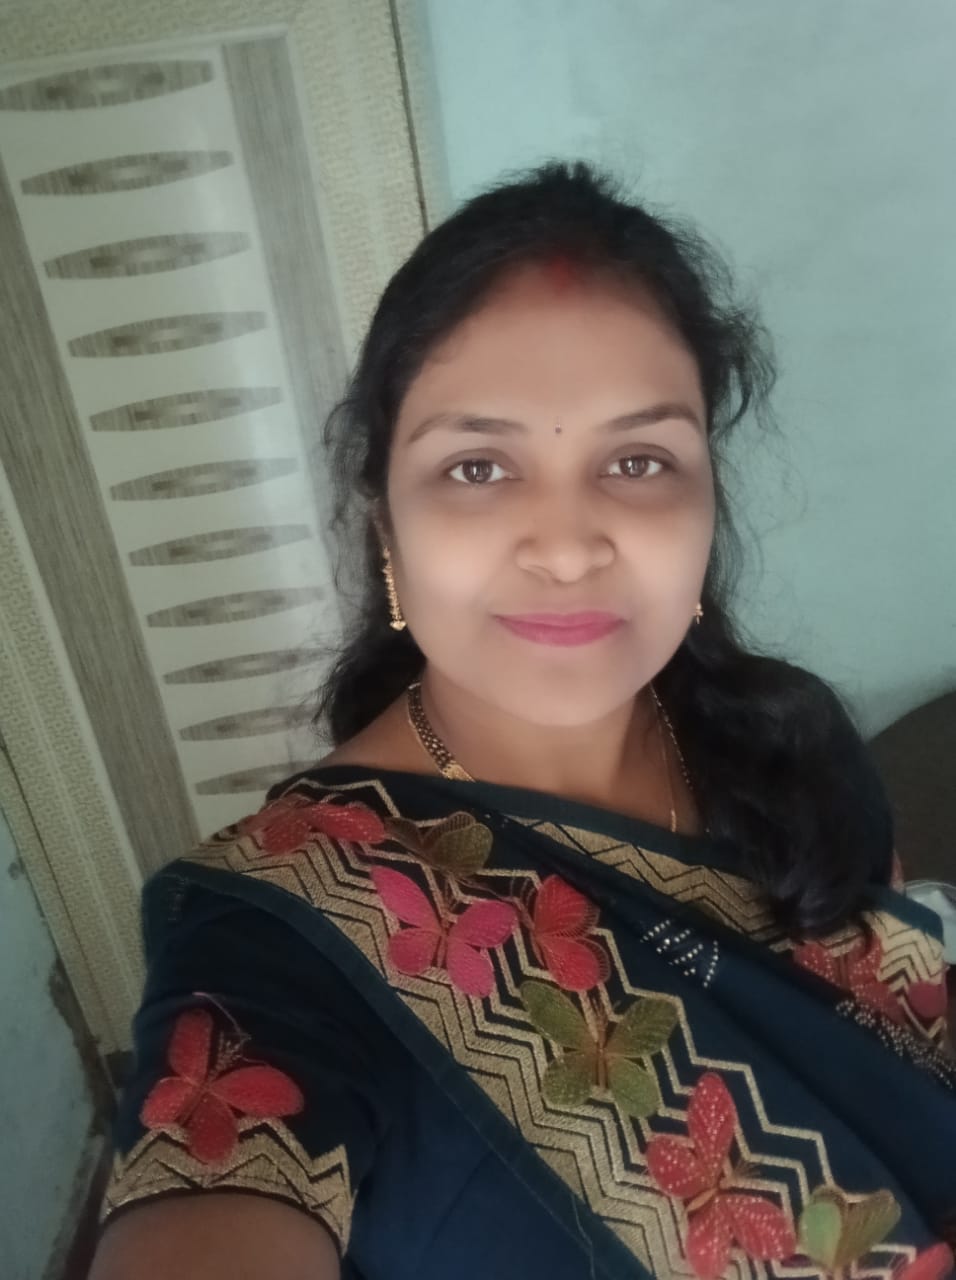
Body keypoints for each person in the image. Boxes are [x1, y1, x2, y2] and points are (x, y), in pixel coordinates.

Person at [90, 161, 955, 1280]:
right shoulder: (285, 935)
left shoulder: (787, 733)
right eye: (478, 465)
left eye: (637, 460)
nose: (566, 546)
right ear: (387, 532)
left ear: (706, 504)